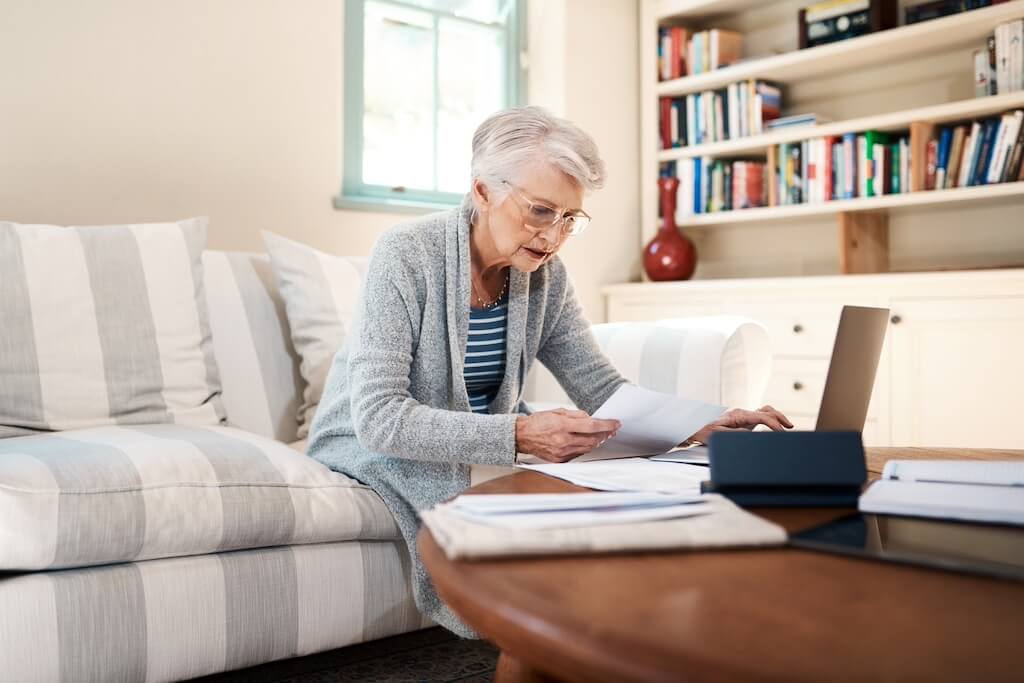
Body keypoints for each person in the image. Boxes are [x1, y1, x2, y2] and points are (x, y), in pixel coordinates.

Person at [307, 105, 792, 636]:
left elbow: (601, 388)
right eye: (540, 211)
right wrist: (519, 435)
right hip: (368, 440)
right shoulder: (405, 254)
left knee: (619, 493)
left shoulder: (545, 275)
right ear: (483, 192)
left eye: (569, 219)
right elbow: (380, 419)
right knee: (534, 533)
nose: (554, 235)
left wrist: (697, 423)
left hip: (482, 431)